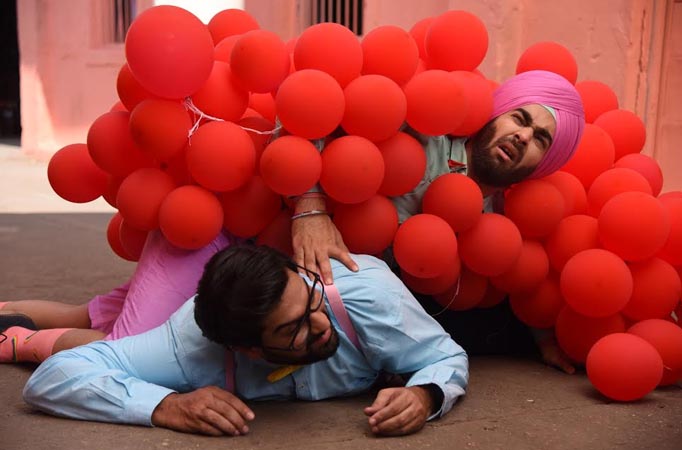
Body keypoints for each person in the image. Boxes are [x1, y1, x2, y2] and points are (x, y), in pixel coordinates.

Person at [1, 70, 584, 372]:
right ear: (503, 108)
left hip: (266, 284)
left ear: (544, 164)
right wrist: (311, 210)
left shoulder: (505, 215)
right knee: (131, 350)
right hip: (226, 229)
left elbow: (511, 276)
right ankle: (18, 346)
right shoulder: (426, 121)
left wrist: (542, 336)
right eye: (521, 119)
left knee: (96, 316)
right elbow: (305, 118)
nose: (519, 138)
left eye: (538, 141)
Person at [23, 244, 468, 437]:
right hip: (183, 242)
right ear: (245, 350)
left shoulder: (368, 293)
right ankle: (19, 337)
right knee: (112, 327)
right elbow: (52, 380)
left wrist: (425, 394)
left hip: (233, 231)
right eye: (292, 329)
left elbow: (443, 355)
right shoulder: (189, 350)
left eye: (310, 299)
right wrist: (166, 405)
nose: (319, 323)